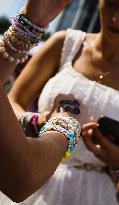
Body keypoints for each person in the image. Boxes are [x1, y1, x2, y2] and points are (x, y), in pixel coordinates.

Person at [3, 0, 119, 204]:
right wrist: (41, 121)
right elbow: (11, 101)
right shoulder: (64, 43)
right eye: (110, 3)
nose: (117, 18)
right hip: (37, 176)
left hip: (96, 194)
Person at [0, 0, 87, 203]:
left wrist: (31, 22)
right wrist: (67, 121)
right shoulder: (65, 42)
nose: (118, 18)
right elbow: (22, 176)